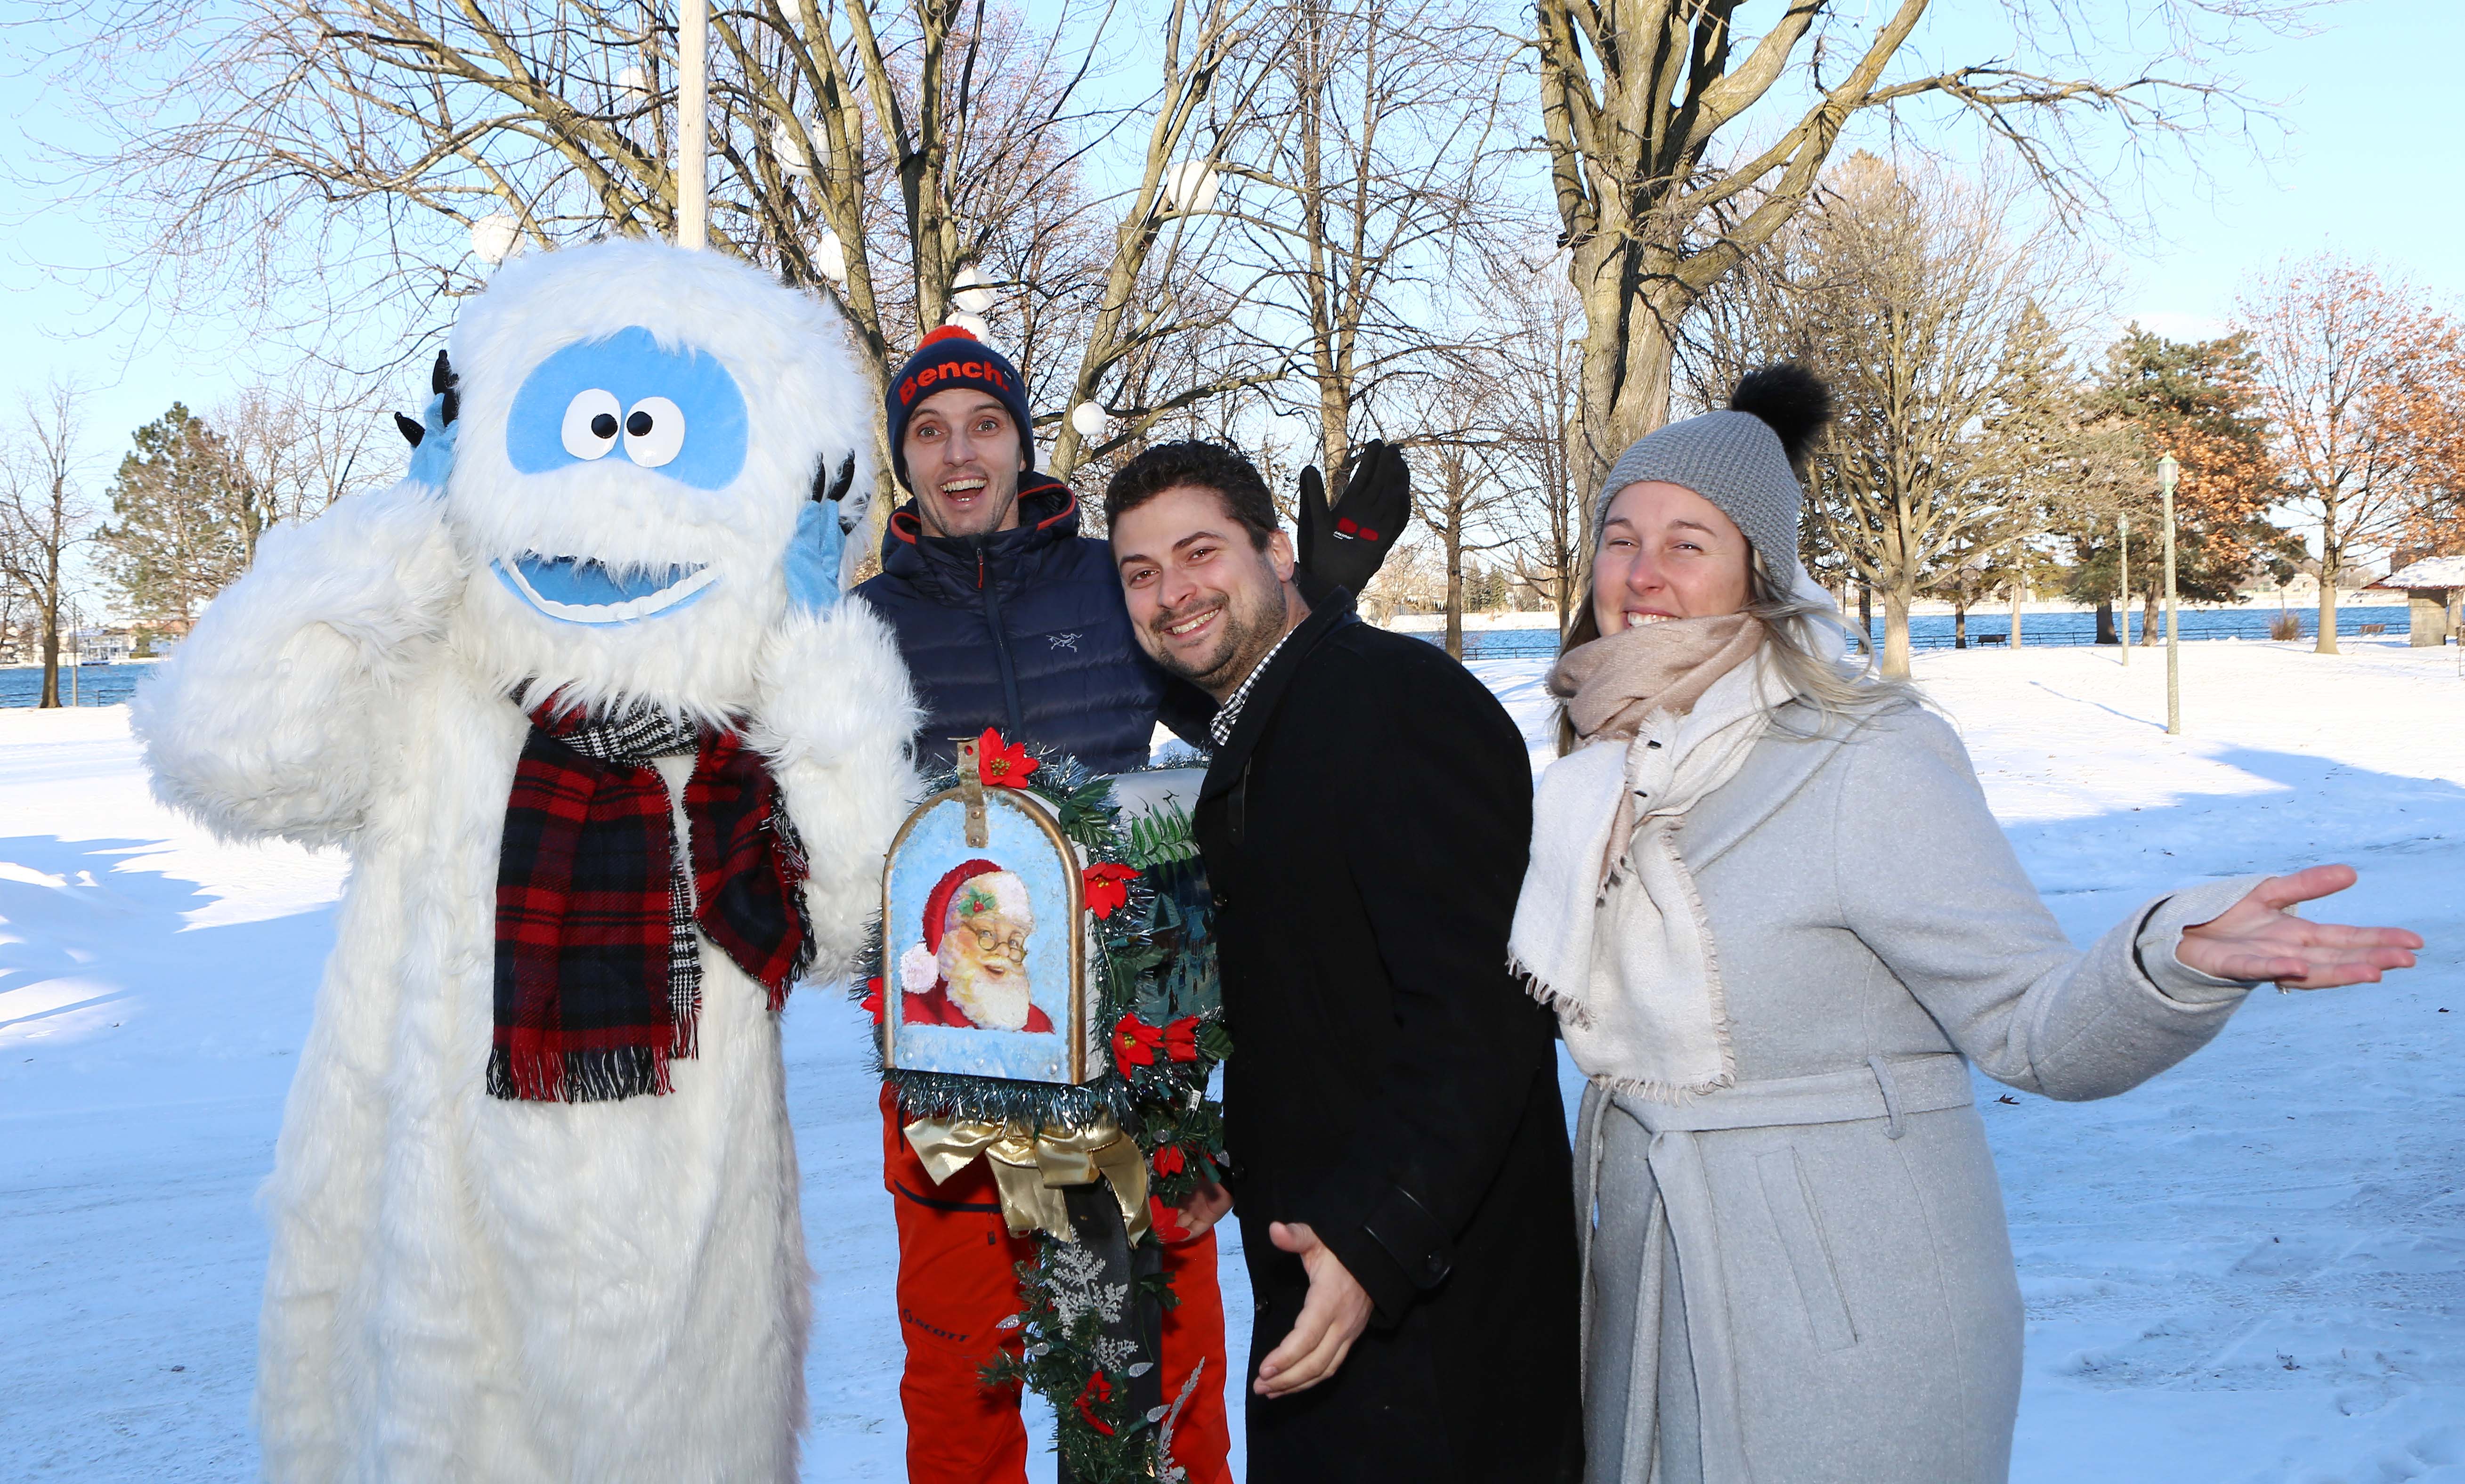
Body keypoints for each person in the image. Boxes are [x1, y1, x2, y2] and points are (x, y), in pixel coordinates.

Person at [1511, 365, 2422, 1484]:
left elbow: (2029, 1024)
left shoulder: (1860, 759)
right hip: (1646, 1302)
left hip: (1841, 1328)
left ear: (1760, 569)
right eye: (1619, 537)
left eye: (1688, 542)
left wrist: (2167, 961)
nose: (1642, 573)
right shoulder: (1590, 774)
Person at [1105, 440, 1585, 1484]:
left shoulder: (1395, 705)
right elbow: (1327, 1000)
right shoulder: (1270, 728)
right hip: (1338, 1296)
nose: (1172, 592)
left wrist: (1376, 1238)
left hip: (1436, 1330)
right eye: (1140, 574)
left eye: (1199, 552)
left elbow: (1483, 1015)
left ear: (1276, 552)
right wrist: (1232, 1155)